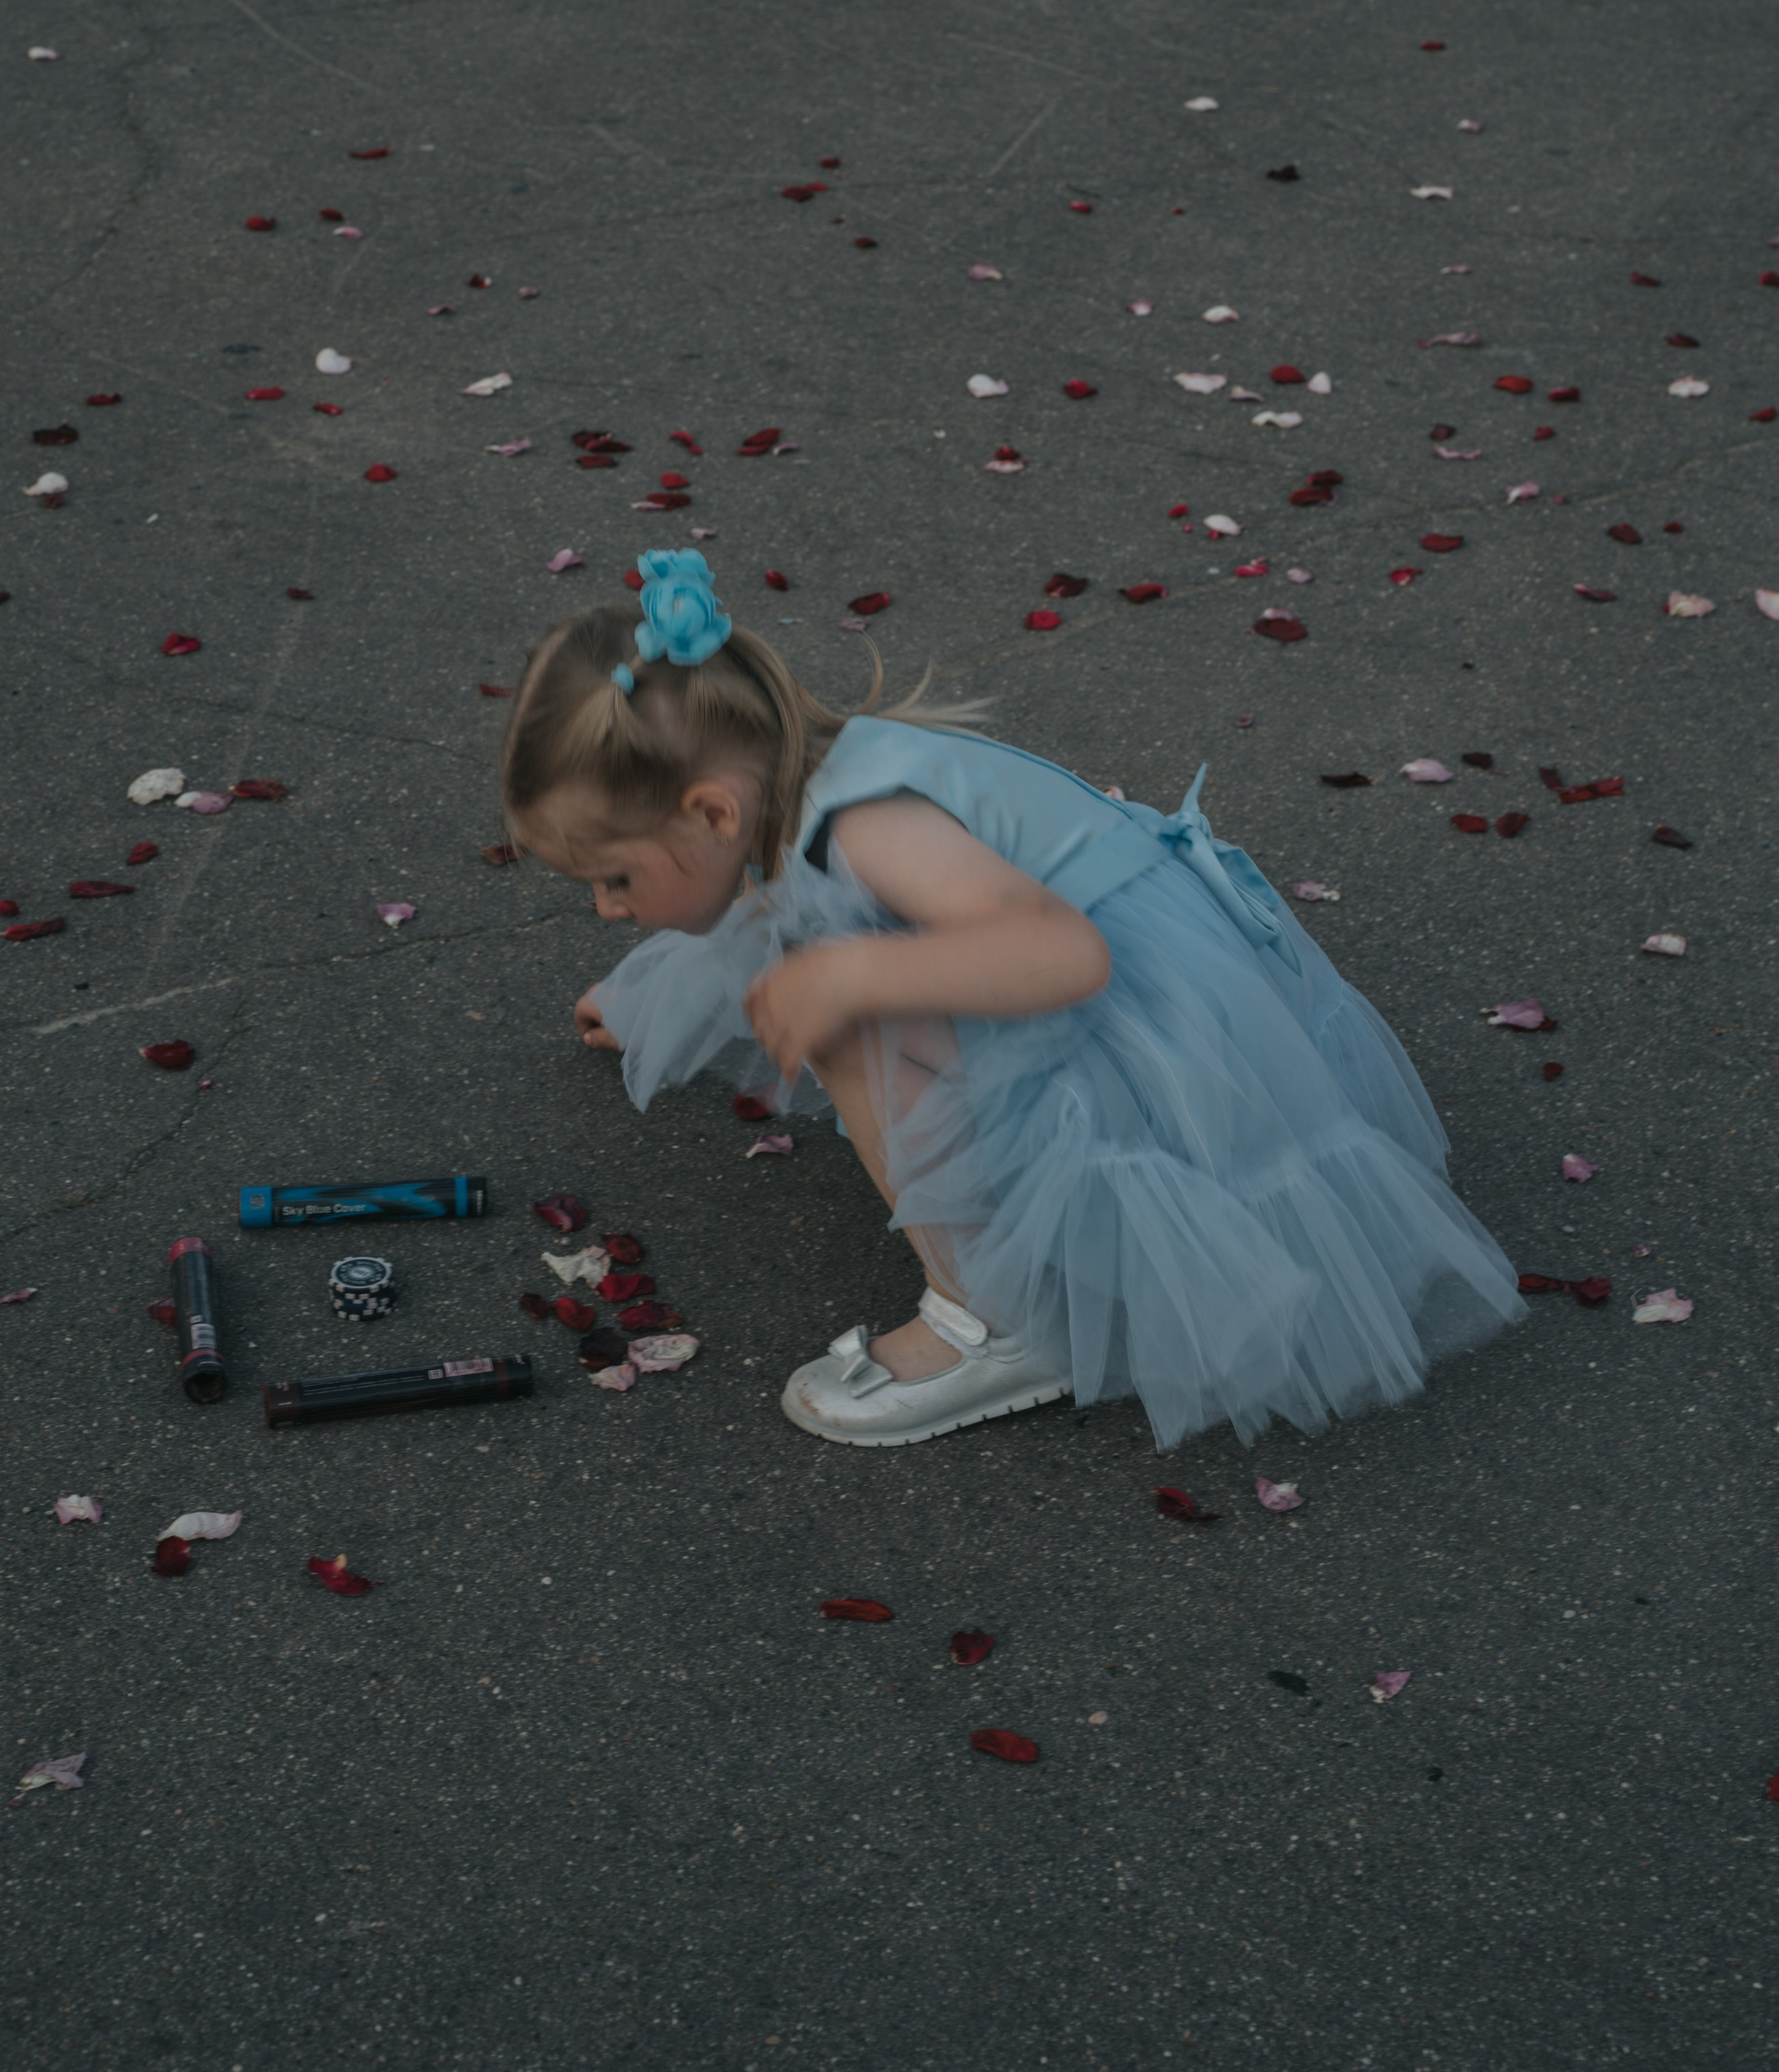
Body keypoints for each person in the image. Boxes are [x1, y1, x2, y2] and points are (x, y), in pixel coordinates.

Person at [501, 548, 1525, 1451]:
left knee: (847, 1009)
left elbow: (1066, 955)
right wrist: (651, 1004)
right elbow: (772, 910)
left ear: (712, 811)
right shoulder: (804, 778)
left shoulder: (871, 827)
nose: (604, 907)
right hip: (1158, 1010)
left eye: (615, 879)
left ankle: (994, 1325)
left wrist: (850, 979)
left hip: (1145, 1046)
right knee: (826, 966)